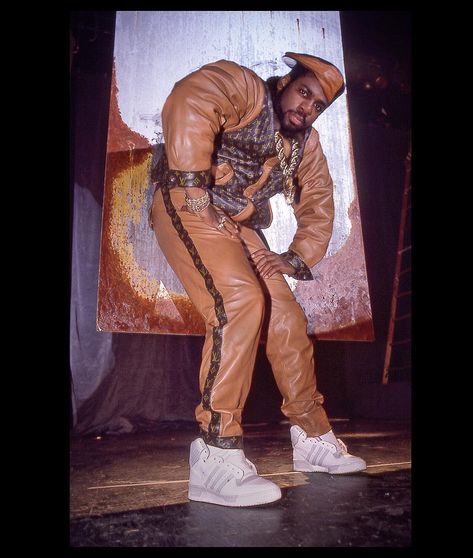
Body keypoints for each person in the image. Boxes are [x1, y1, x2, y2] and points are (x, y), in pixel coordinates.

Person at [149, 51, 367, 507]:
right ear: (287, 82)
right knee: (240, 300)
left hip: (238, 227)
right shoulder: (247, 90)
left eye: (317, 105)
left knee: (286, 318)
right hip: (189, 198)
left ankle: (311, 437)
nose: (306, 108)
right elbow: (193, 96)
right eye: (304, 92)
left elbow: (319, 205)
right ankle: (214, 452)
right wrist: (192, 188)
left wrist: (294, 257)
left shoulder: (304, 146)